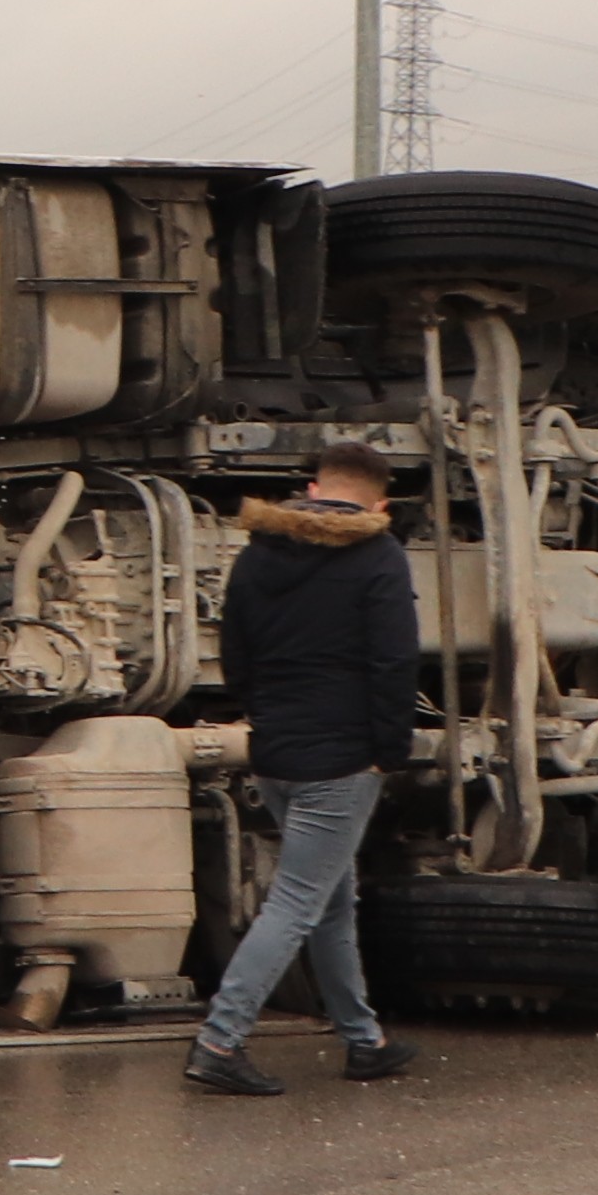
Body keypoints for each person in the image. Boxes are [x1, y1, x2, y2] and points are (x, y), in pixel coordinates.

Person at [184, 448, 416, 1096]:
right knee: (296, 902)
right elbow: (394, 662)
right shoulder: (378, 556)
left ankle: (362, 1039)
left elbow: (234, 650)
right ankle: (219, 1041)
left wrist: (265, 714)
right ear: (379, 506)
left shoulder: (260, 551)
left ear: (311, 490)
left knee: (333, 898)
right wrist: (390, 751)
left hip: (277, 750)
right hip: (341, 759)